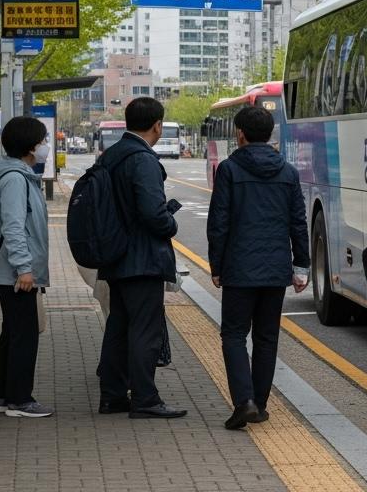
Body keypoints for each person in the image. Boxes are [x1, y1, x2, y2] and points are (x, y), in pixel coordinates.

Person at [207, 106, 310, 430]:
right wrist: (302, 266)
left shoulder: (229, 170)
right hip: (276, 269)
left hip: (239, 268)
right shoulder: (288, 172)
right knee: (267, 338)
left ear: (240, 134)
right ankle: (260, 405)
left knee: (234, 334)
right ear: (270, 135)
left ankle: (244, 401)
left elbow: (219, 222)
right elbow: (298, 222)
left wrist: (217, 265)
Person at [97, 97, 186, 419]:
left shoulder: (112, 155)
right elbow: (152, 212)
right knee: (144, 330)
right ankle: (145, 399)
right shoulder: (143, 160)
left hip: (115, 255)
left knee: (118, 326)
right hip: (142, 258)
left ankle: (113, 396)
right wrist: (170, 223)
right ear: (158, 125)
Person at [0, 116, 53, 418]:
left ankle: (1, 396)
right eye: (42, 141)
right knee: (25, 334)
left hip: (11, 271)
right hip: (15, 273)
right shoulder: (15, 179)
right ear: (30, 146)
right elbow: (13, 228)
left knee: (13, 331)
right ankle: (19, 400)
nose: (45, 147)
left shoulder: (19, 175)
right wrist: (24, 269)